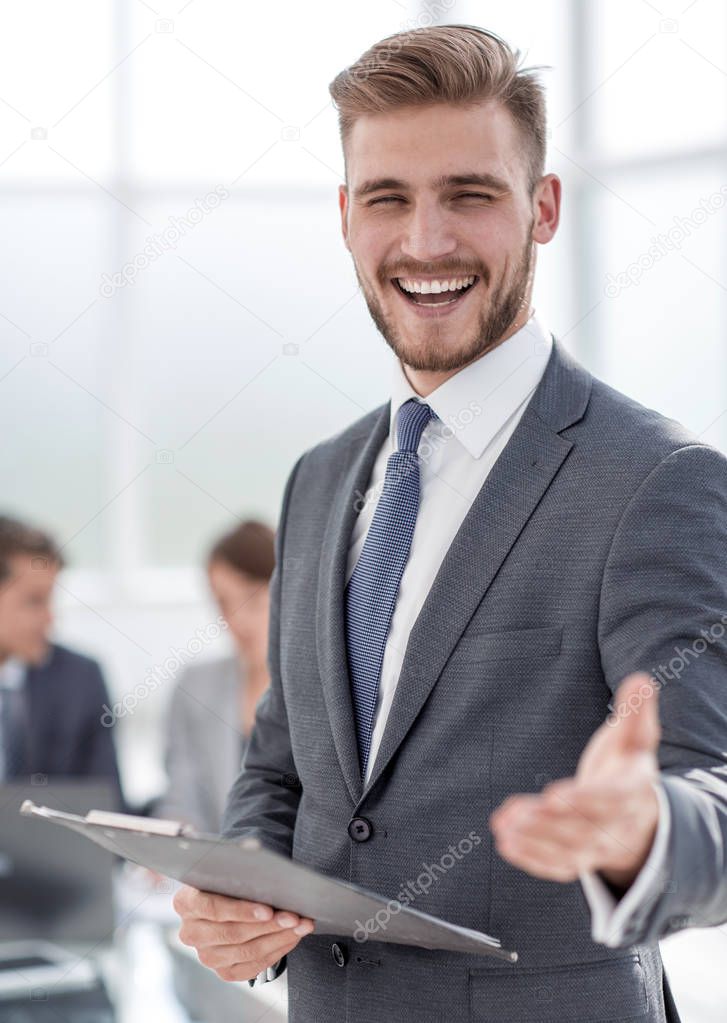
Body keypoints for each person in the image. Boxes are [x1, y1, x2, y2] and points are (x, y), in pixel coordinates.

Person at [172, 25, 726, 1022]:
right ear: (346, 218)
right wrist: (243, 885)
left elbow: (714, 795)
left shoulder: (657, 479)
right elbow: (281, 765)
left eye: (469, 193)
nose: (426, 242)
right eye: (388, 198)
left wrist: (646, 828)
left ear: (542, 207)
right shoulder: (321, 478)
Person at [154, 520, 275, 833]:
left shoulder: (320, 691)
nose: (237, 621)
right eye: (223, 603)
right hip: (211, 873)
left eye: (252, 598)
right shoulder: (194, 686)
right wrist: (172, 841)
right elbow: (181, 795)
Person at [0, 515, 123, 805]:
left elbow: (107, 812)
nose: (50, 617)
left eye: (51, 599)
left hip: (45, 851)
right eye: (34, 601)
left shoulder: (81, 680)